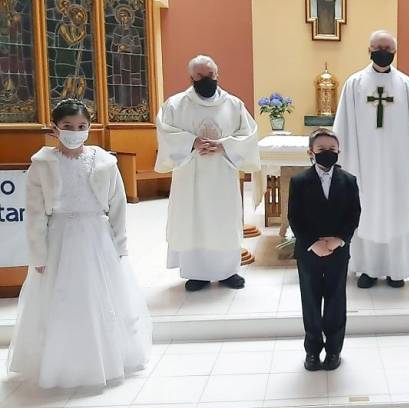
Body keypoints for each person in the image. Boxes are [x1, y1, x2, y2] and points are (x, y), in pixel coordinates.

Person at [7, 99, 152, 388]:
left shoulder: (104, 162)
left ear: (90, 127)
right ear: (55, 129)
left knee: (102, 297)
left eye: (82, 126)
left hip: (97, 238)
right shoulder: (43, 164)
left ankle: (107, 357)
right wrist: (38, 253)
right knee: (63, 298)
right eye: (68, 127)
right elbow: (35, 213)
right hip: (60, 238)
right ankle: (64, 362)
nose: (76, 131)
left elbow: (118, 204)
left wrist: (120, 244)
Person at [333, 30, 409, 289]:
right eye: (378, 47)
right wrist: (339, 164)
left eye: (388, 48)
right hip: (362, 165)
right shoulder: (354, 84)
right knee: (364, 212)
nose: (383, 52)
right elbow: (341, 126)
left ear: (395, 52)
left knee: (397, 214)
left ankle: (396, 270)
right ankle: (366, 269)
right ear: (369, 50)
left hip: (399, 168)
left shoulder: (408, 87)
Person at [155, 55, 260, 292]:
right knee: (194, 220)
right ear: (191, 77)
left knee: (223, 220)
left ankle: (228, 272)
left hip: (222, 175)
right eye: (201, 76)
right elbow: (165, 132)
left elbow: (248, 134)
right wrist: (191, 143)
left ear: (217, 75)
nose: (207, 80)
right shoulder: (175, 104)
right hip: (190, 174)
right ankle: (197, 274)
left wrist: (225, 145)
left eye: (211, 76)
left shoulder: (233, 105)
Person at [288, 128, 361, 371]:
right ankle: (312, 351)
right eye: (321, 150)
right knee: (310, 301)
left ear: (339, 151)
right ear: (311, 152)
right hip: (309, 251)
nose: (327, 154)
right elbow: (294, 217)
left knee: (335, 300)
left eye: (332, 150)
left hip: (338, 250)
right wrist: (313, 243)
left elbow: (354, 214)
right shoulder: (298, 181)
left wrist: (339, 239)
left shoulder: (349, 181)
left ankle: (334, 350)